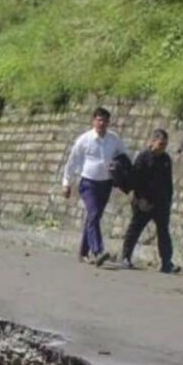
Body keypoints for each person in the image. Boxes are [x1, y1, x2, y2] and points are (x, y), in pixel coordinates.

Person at [62, 107, 128, 266]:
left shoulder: (113, 139)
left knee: (94, 217)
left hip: (106, 183)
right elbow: (72, 161)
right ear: (93, 121)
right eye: (99, 120)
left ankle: (83, 252)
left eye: (105, 120)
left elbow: (124, 156)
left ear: (108, 122)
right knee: (94, 213)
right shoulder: (84, 139)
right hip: (88, 183)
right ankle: (98, 251)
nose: (102, 123)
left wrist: (120, 169)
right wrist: (66, 183)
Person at [121, 129, 180, 273]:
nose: (163, 147)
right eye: (161, 144)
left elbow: (168, 182)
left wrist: (168, 200)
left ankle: (166, 263)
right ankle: (126, 257)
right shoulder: (143, 157)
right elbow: (135, 180)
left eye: (165, 144)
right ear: (153, 142)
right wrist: (140, 199)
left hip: (161, 202)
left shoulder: (166, 159)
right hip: (144, 201)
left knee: (163, 232)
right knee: (135, 230)